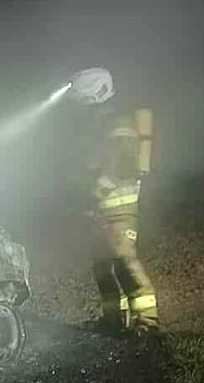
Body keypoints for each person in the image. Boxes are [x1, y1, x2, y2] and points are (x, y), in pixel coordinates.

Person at [67, 69, 159, 336]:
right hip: (98, 209)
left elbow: (121, 163)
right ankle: (113, 320)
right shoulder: (97, 126)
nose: (77, 107)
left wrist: (97, 190)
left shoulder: (117, 124)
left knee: (124, 260)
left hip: (118, 207)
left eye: (80, 99)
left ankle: (148, 322)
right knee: (102, 265)